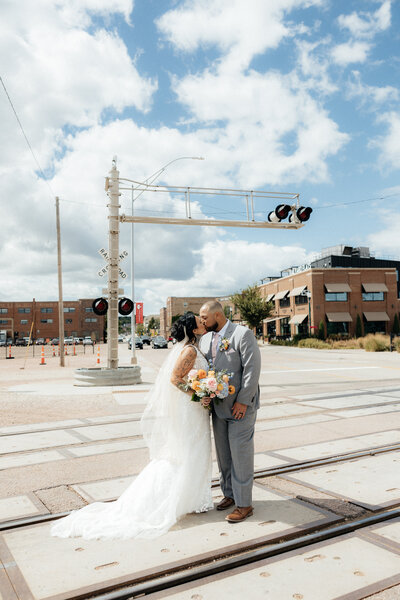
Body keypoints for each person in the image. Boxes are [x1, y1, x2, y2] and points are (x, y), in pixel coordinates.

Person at [51, 313, 213, 540]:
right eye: (199, 321)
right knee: (187, 452)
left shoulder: (193, 348)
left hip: (195, 409)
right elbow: (175, 379)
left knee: (194, 452)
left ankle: (190, 498)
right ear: (193, 329)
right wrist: (198, 393)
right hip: (191, 409)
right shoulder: (189, 351)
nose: (203, 323)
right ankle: (169, 500)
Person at [199, 300, 261, 523]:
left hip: (240, 408)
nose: (202, 322)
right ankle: (229, 494)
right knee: (224, 455)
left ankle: (245, 505)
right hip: (218, 408)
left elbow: (252, 370)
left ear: (218, 315)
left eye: (205, 318)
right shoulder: (205, 339)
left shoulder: (243, 335)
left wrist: (243, 401)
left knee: (240, 455)